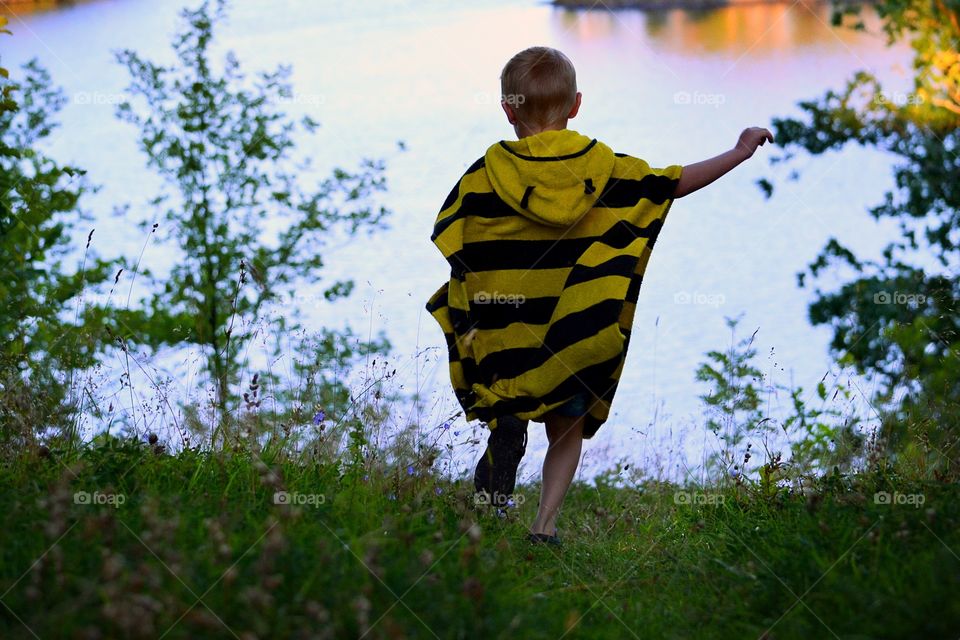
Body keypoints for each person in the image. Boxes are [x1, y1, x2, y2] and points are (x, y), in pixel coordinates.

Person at [425, 46, 773, 545]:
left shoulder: (485, 173)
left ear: (508, 109)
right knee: (567, 428)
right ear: (576, 104)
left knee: (512, 394)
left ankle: (507, 429)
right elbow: (669, 185)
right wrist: (739, 151)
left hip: (512, 335)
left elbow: (455, 236)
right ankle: (543, 526)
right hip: (578, 332)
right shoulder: (606, 169)